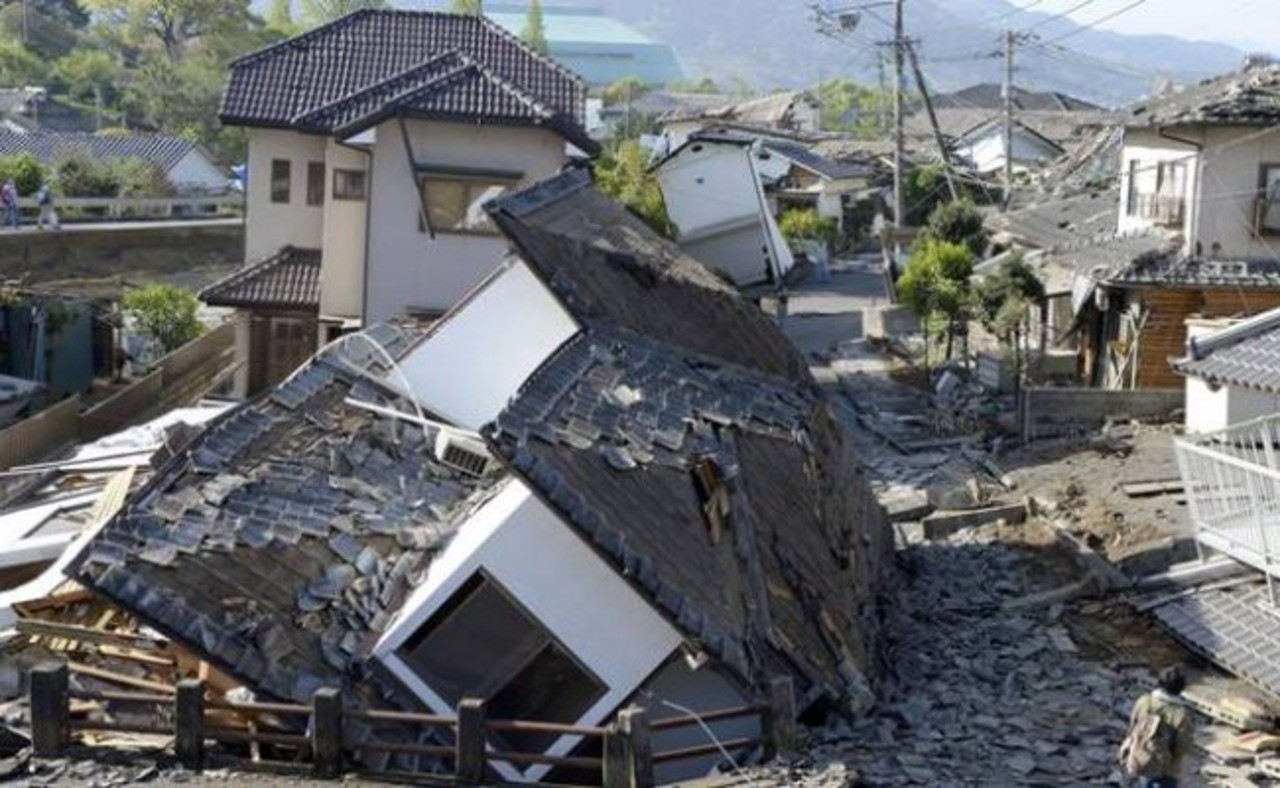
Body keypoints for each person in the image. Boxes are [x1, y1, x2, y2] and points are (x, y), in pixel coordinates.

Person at [1119, 666, 1194, 787]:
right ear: (1181, 689)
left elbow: (1133, 725)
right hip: (1164, 770)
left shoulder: (1144, 701)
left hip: (1140, 758)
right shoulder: (1180, 714)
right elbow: (1183, 747)